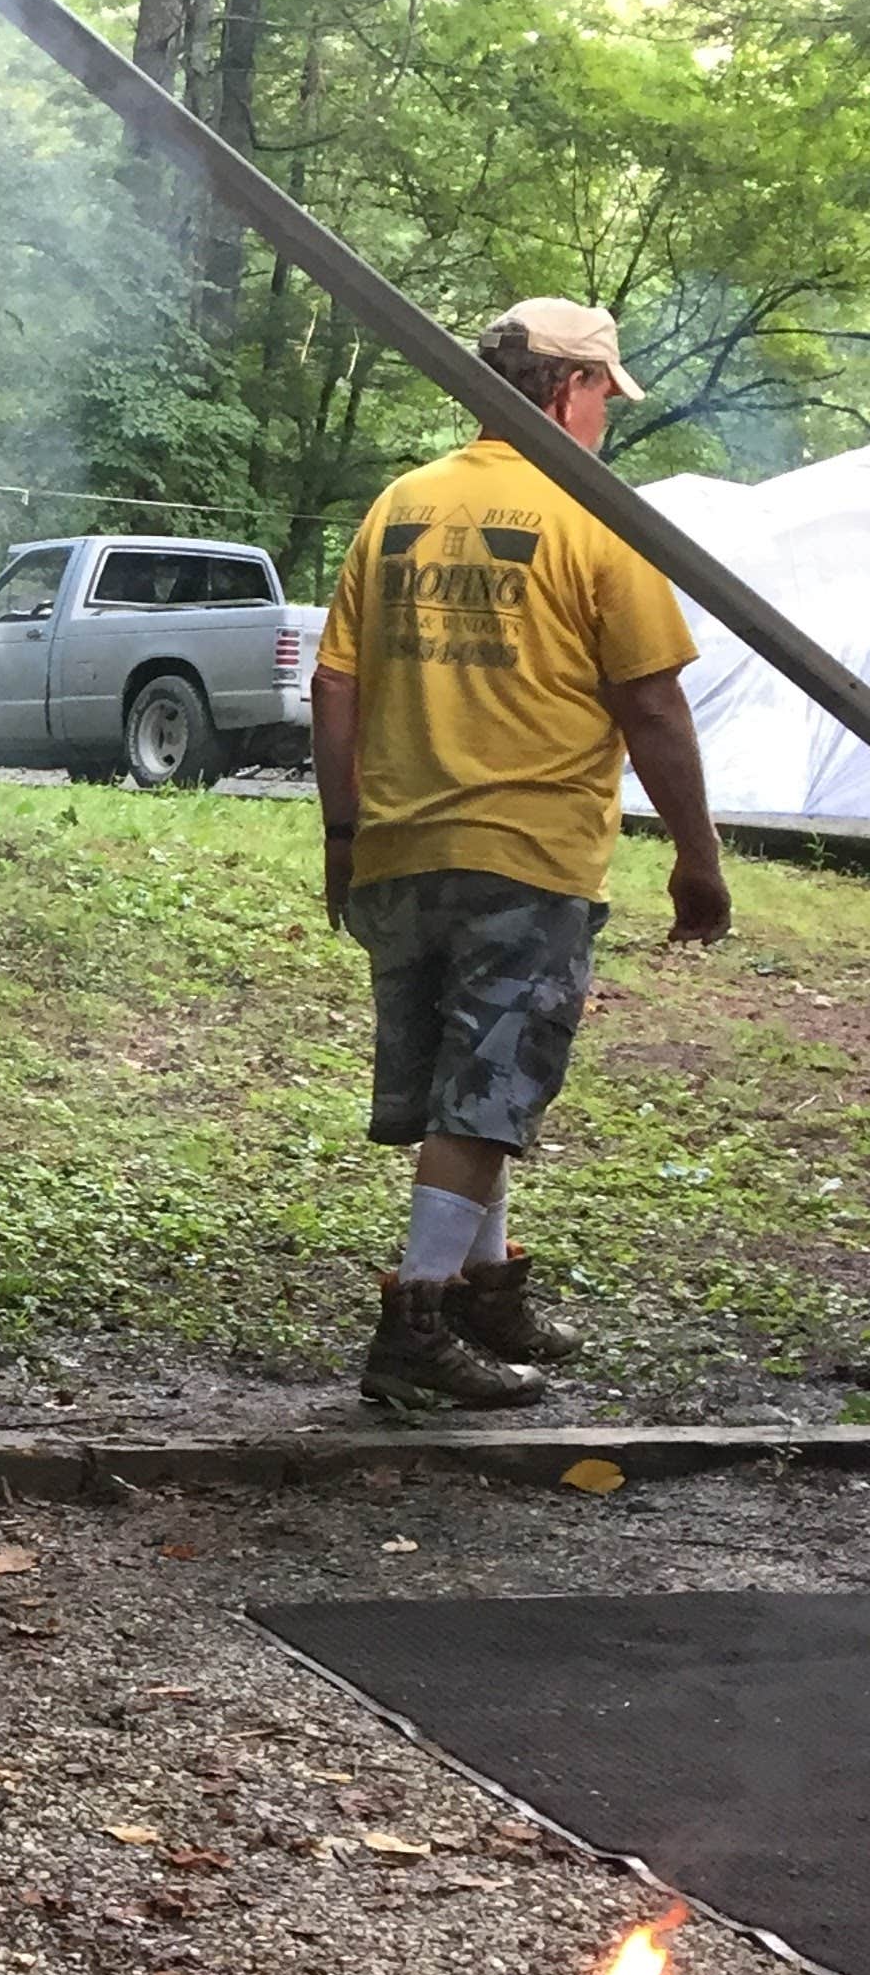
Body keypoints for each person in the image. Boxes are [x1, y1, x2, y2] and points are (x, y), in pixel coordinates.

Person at [312, 296, 731, 1409]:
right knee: (486, 1099)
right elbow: (651, 705)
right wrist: (699, 857)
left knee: (464, 1085)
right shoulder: (597, 517)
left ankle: (487, 1291)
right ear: (569, 389)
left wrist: (343, 837)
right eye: (604, 393)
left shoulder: (402, 503)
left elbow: (335, 683)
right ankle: (415, 1327)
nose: (605, 416)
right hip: (527, 852)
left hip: (401, 851)